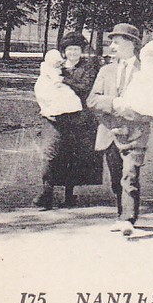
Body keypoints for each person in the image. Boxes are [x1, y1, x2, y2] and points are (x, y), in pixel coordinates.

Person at [87, 23, 152, 236]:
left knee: (130, 174)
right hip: (109, 133)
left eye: (117, 41)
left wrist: (129, 111)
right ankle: (121, 214)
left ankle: (128, 219)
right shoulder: (106, 71)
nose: (112, 46)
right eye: (112, 41)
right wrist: (114, 103)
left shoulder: (146, 71)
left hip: (135, 134)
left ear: (131, 43)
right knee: (117, 178)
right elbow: (92, 100)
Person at [32, 33, 102, 210]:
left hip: (78, 119)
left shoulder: (88, 68)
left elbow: (86, 87)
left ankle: (69, 195)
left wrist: (64, 79)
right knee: (50, 154)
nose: (73, 53)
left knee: (72, 156)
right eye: (69, 49)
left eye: (76, 49)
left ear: (81, 51)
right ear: (63, 51)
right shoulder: (55, 66)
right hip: (54, 118)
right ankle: (46, 192)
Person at [34, 49, 84, 120]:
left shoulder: (48, 67)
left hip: (47, 85)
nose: (58, 65)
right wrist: (57, 82)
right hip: (48, 86)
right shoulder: (50, 70)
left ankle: (68, 110)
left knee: (65, 95)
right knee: (56, 97)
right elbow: (55, 78)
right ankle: (53, 112)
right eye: (57, 63)